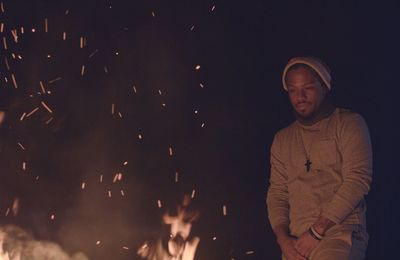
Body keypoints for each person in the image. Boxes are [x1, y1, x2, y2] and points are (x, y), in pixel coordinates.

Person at [266, 57, 372, 260]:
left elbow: (358, 180)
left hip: (340, 233)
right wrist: (284, 241)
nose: (300, 96)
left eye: (308, 88)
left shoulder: (349, 124)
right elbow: (277, 193)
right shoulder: (282, 139)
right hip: (296, 242)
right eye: (293, 90)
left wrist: (317, 231)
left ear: (324, 86)